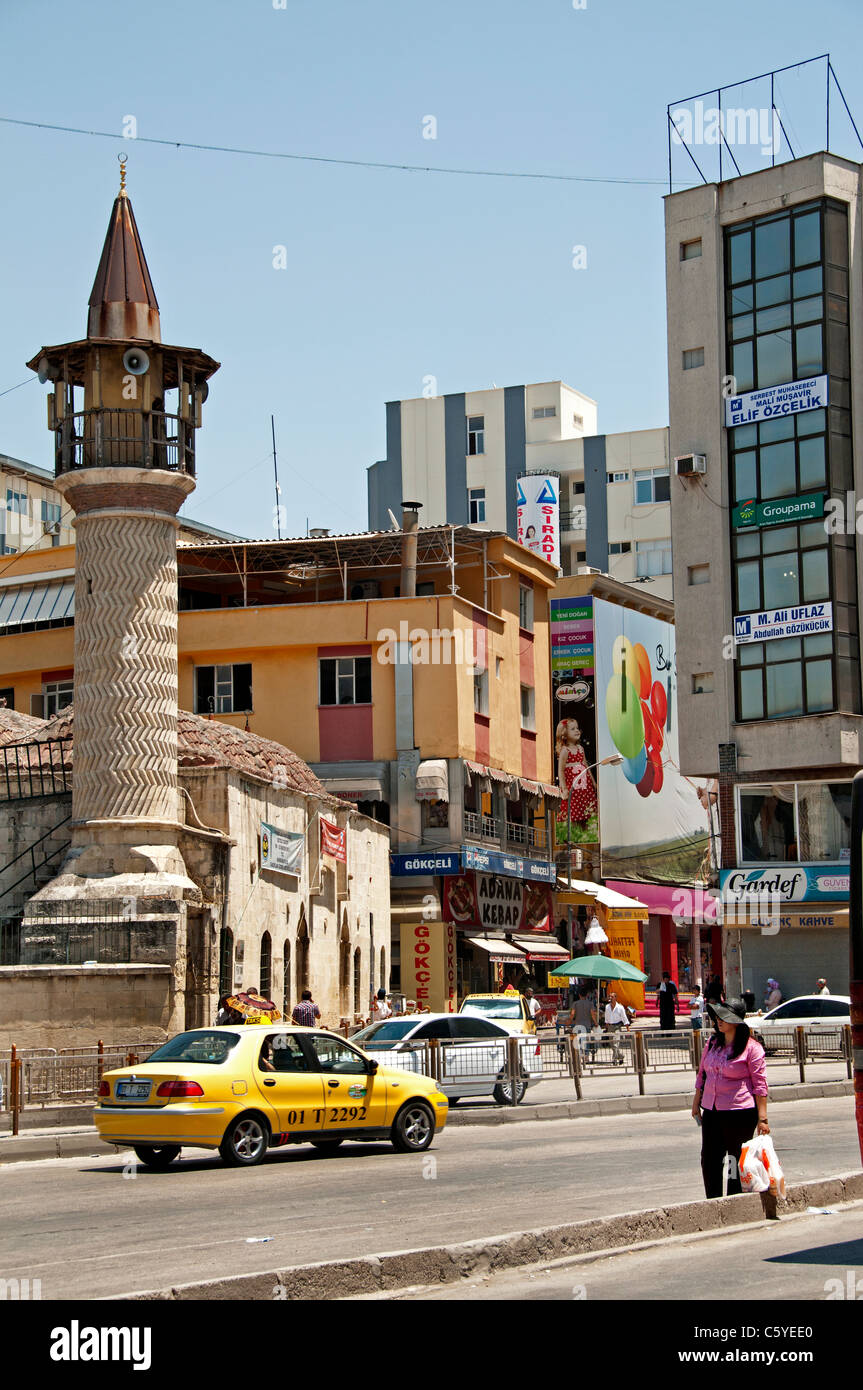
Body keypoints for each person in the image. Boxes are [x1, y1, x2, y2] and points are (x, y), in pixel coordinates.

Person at [691, 998, 769, 1199]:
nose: (719, 1021)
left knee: (735, 1160)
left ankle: (734, 1201)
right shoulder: (712, 1043)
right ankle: (714, 1201)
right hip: (712, 1110)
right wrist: (696, 1101)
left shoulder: (752, 1048)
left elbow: (760, 1085)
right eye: (718, 1017)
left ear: (736, 1022)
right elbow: (702, 1073)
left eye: (724, 1017)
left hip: (740, 1113)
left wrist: (763, 1119)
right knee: (709, 1159)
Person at [555, 717, 599, 843]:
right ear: (564, 734)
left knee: (585, 812)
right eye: (572, 729)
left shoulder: (580, 748)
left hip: (585, 788)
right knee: (574, 813)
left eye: (577, 728)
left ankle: (585, 834)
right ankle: (573, 836)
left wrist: (594, 783)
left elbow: (586, 766)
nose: (577, 731)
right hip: (573, 788)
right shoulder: (565, 751)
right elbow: (561, 771)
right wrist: (564, 788)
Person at [569, 987, 598, 1062]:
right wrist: (595, 1023)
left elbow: (572, 1014)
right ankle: (586, 1056)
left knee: (578, 1041)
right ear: (587, 995)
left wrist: (569, 1021)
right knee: (586, 1041)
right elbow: (592, 1014)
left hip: (578, 1025)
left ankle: (580, 1056)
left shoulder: (575, 1003)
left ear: (579, 995)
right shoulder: (590, 1003)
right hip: (587, 1025)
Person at [604, 990, 630, 1065]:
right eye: (609, 996)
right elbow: (606, 1017)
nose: (610, 998)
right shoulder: (607, 1007)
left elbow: (624, 1018)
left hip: (617, 1027)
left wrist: (627, 1028)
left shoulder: (620, 1007)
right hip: (610, 1027)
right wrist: (606, 1027)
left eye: (612, 997)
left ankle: (614, 1059)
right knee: (612, 1044)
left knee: (616, 1043)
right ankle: (621, 1056)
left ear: (615, 998)